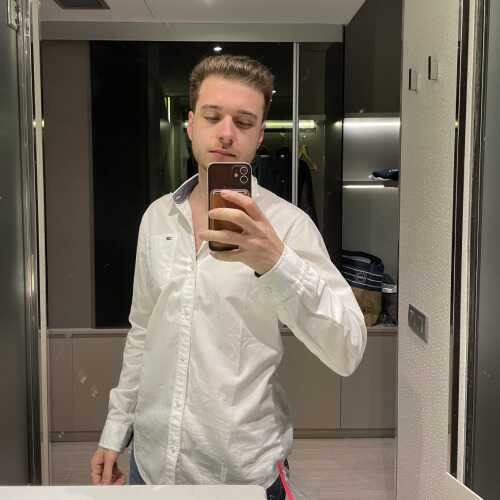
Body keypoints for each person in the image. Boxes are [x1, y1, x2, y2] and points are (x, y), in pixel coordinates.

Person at [90, 54, 367, 498]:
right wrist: (115, 428)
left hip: (240, 474)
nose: (225, 132)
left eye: (243, 121)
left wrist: (275, 261)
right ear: (190, 124)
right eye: (212, 116)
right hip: (151, 465)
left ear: (259, 136)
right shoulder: (157, 218)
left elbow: (348, 346)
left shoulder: (287, 226)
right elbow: (143, 330)